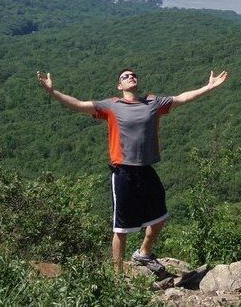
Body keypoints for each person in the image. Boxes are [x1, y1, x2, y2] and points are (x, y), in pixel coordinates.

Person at [36, 67, 228, 272]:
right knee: (121, 228)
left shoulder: (153, 102)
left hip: (146, 169)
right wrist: (52, 92)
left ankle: (143, 253)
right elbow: (79, 105)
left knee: (160, 216)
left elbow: (182, 98)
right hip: (123, 171)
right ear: (120, 86)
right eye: (125, 77)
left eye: (133, 75)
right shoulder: (112, 105)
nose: (131, 77)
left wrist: (208, 87)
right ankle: (117, 275)